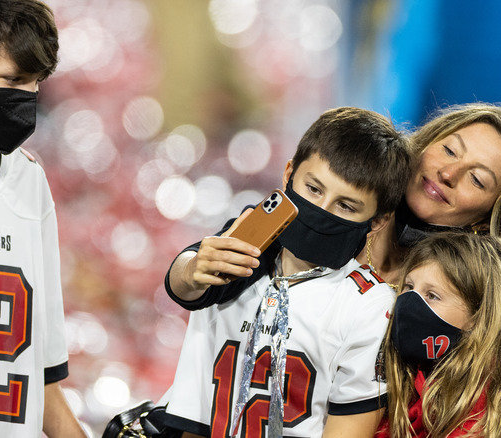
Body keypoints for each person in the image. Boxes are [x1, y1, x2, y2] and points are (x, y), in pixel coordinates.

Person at [192, 102, 501, 437]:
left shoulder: (469, 299)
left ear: (486, 218)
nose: (449, 172)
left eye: (477, 179)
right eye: (448, 150)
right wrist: (193, 265)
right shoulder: (316, 218)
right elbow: (196, 276)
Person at [162, 107, 412, 437]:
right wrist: (193, 268)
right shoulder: (245, 244)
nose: (321, 210)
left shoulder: (369, 304)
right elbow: (186, 285)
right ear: (289, 174)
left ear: (378, 221)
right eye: (313, 189)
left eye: (345, 205)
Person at [0, 0, 87, 437]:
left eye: (34, 85)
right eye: (11, 80)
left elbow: (39, 381)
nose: (24, 100)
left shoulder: (29, 181)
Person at [374, 231, 501, 437]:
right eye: (408, 287)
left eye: (432, 295)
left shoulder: (500, 394)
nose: (409, 302)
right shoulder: (395, 368)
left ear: (480, 316)